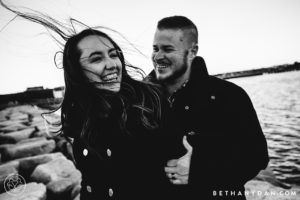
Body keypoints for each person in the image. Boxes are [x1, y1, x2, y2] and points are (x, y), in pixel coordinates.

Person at [0, 2, 171, 199]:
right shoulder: (78, 116)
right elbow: (91, 179)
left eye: (114, 55)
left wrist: (197, 155)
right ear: (77, 71)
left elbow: (184, 153)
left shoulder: (150, 101)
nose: (112, 64)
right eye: (96, 59)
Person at [147, 15, 269, 200]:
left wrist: (199, 169)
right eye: (155, 49)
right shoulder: (141, 99)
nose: (157, 56)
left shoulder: (229, 95)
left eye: (167, 49)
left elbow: (256, 157)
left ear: (192, 52)